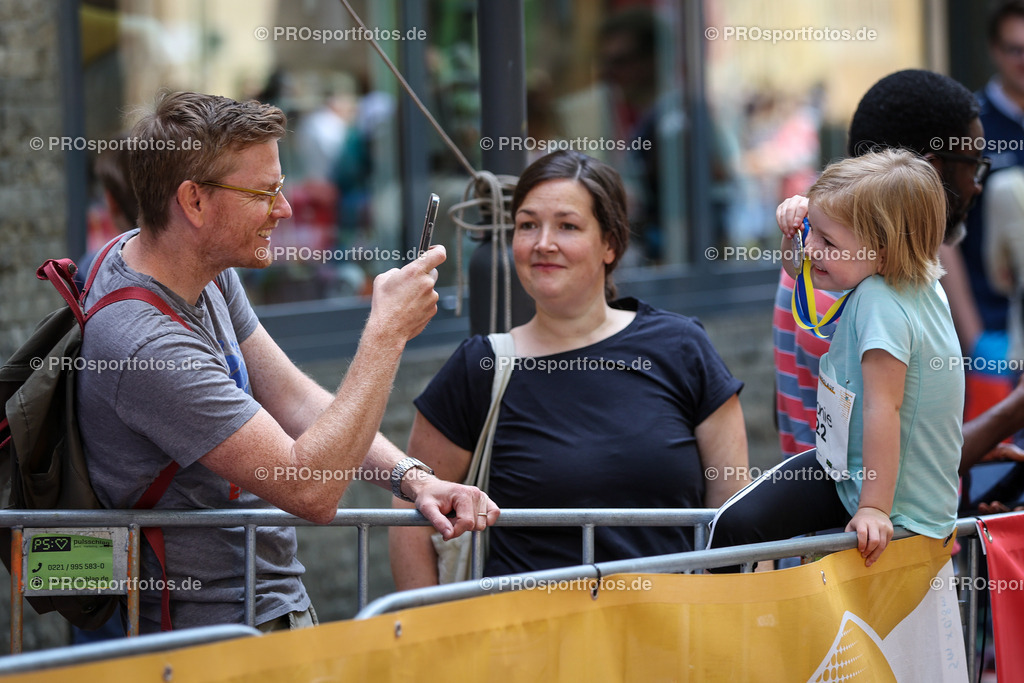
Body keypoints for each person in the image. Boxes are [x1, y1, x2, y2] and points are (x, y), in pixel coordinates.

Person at [75, 91, 498, 633]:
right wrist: (387, 334)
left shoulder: (190, 263)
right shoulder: (146, 346)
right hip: (209, 639)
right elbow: (310, 489)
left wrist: (411, 479)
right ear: (194, 202)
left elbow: (294, 398)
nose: (286, 208)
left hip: (254, 610)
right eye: (265, 191)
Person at [389, 150, 749, 588]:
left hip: (670, 641)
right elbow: (411, 513)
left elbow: (737, 518)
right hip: (528, 644)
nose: (543, 243)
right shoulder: (479, 368)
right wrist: (426, 640)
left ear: (610, 244)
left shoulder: (682, 348)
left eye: (568, 225)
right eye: (527, 225)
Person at [710, 150, 962, 568]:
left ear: (882, 250)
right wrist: (795, 234)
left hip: (884, 499)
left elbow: (886, 406)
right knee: (742, 523)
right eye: (813, 232)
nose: (811, 248)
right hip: (862, 477)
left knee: (734, 526)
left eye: (827, 241)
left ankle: (712, 626)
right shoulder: (906, 278)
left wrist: (874, 509)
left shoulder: (881, 303)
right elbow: (801, 271)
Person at [773, 69, 985, 458]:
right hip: (860, 512)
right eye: (974, 163)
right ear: (934, 172)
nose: (976, 184)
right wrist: (1013, 412)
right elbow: (888, 437)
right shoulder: (848, 282)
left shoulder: (839, 259)